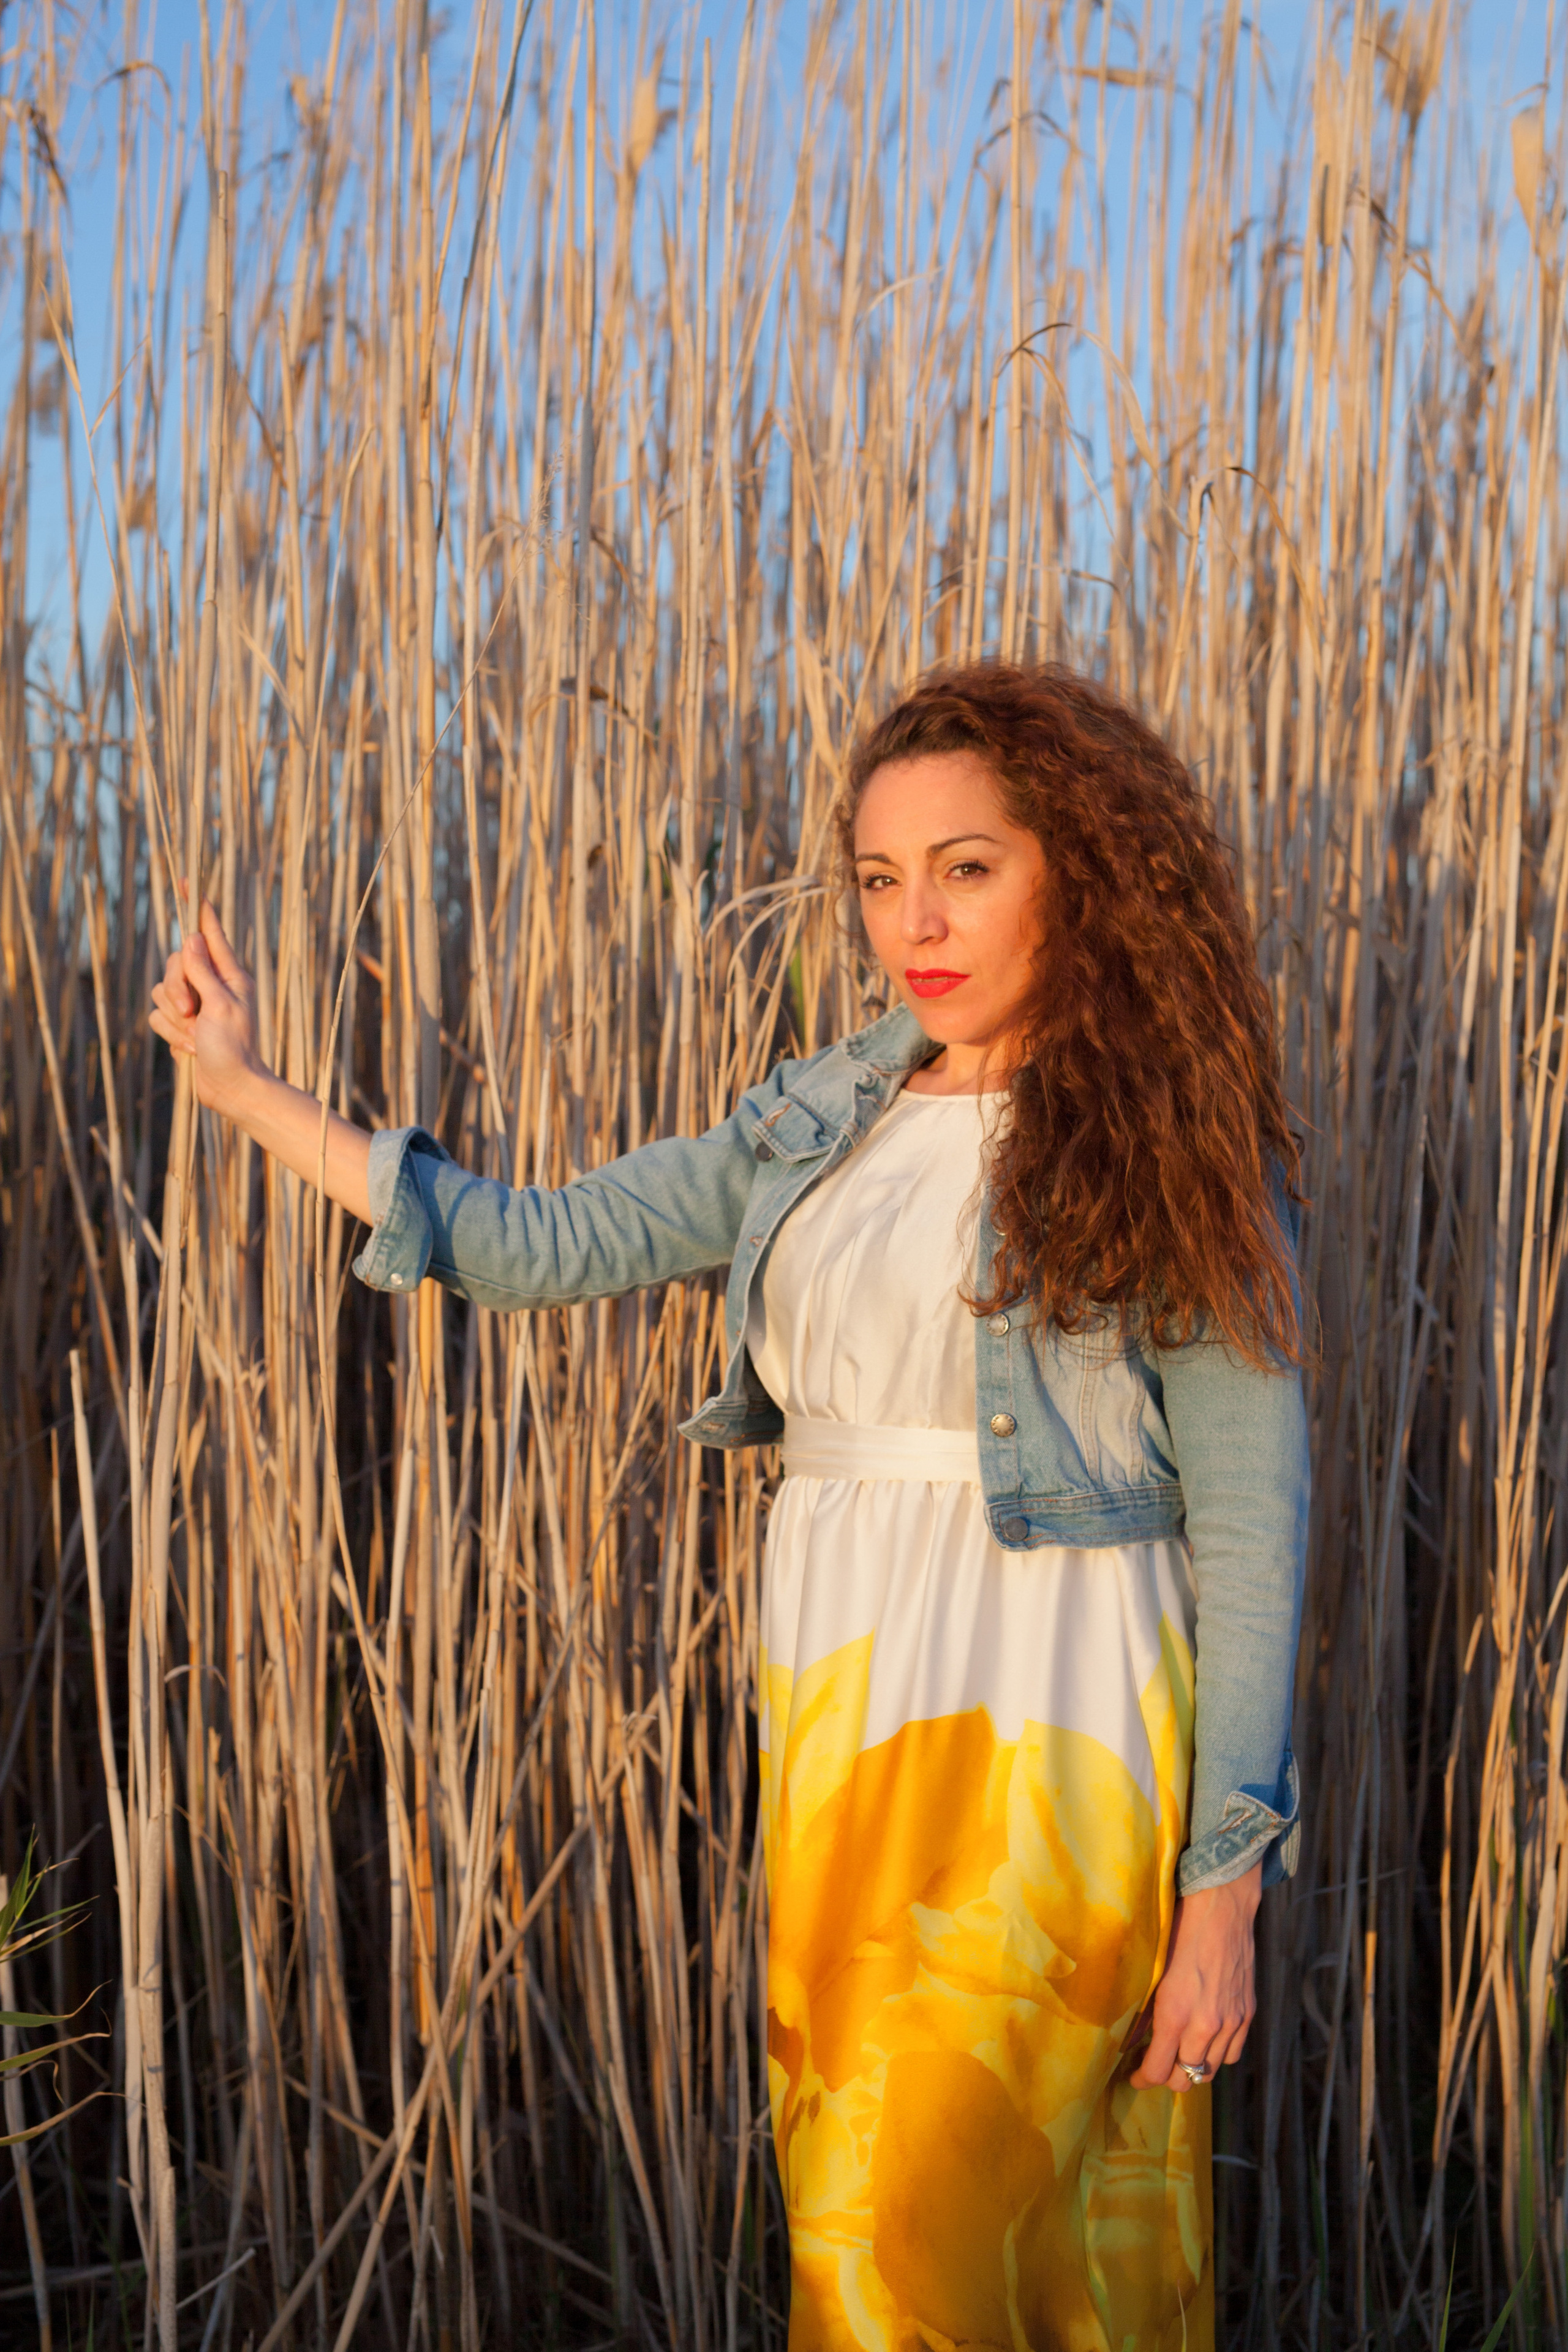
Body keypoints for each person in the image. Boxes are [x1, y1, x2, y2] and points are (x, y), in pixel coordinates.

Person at [152, 660, 1308, 2351]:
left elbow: (1259, 1532)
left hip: (1055, 1743)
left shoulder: (1166, 1150)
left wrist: (1225, 1897)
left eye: (968, 867)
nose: (916, 918)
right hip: (841, 1724)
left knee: (990, 2238)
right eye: (880, 877)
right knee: (854, 2230)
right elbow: (527, 1240)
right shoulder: (812, 1126)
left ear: (1085, 865)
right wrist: (246, 1092)